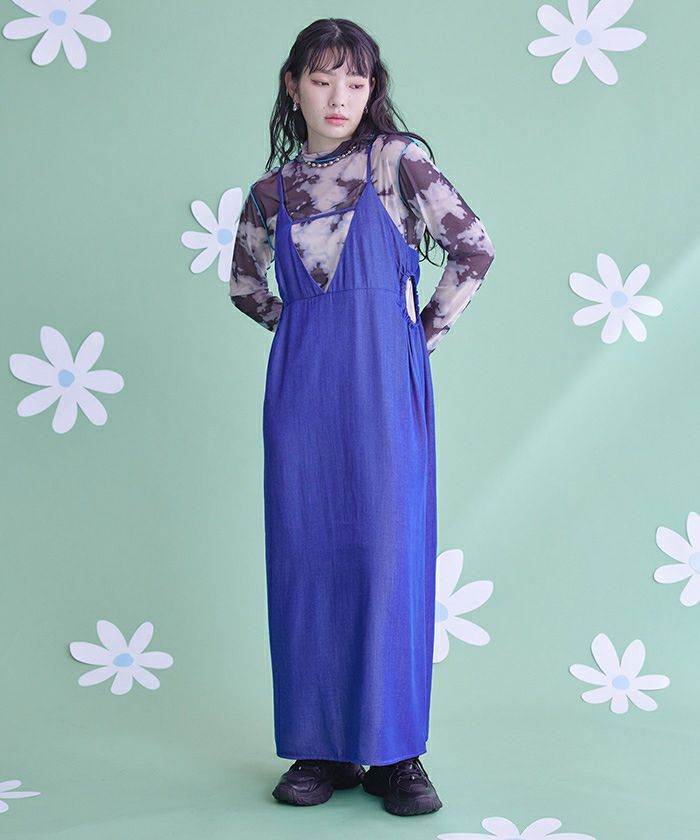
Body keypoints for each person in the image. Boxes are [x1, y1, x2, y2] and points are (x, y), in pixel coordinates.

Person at [230, 17, 495, 817]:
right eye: (321, 79)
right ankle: (319, 748)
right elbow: (245, 287)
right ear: (293, 87)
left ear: (372, 88)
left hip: (385, 385)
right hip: (301, 398)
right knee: (306, 560)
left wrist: (418, 337)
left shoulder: (396, 161)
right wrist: (305, 333)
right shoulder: (269, 193)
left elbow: (474, 248)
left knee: (389, 557)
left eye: (355, 80)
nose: (339, 96)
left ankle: (396, 754)